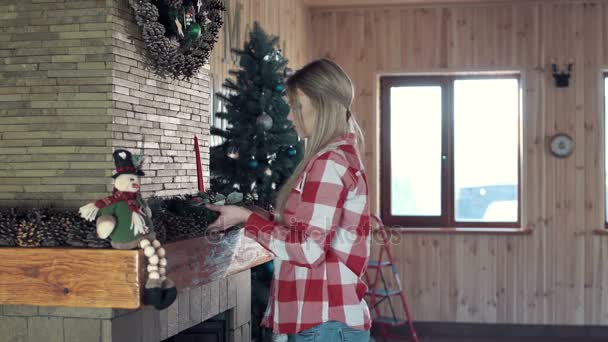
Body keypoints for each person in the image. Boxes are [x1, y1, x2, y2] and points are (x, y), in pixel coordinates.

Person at [207, 58, 371, 342]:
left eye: (297, 107)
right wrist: (258, 215)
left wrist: (248, 220)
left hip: (325, 324)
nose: (290, 117)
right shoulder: (338, 157)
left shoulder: (329, 162)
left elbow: (308, 250)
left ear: (320, 106)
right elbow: (309, 234)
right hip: (326, 322)